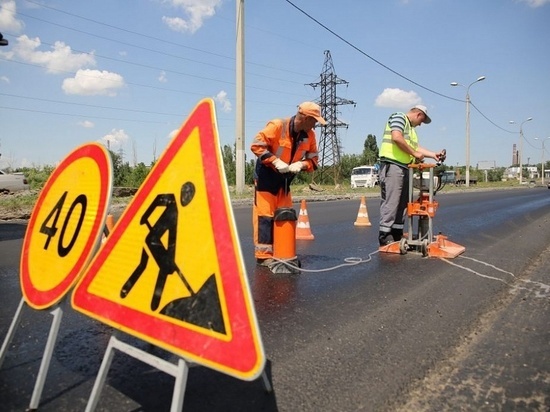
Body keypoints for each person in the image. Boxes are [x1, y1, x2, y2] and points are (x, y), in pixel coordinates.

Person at [251, 101, 325, 265]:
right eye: (314, 121)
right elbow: (257, 145)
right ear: (305, 118)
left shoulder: (310, 135)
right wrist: (275, 161)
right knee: (265, 217)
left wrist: (301, 164)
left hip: (285, 180)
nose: (315, 125)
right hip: (266, 177)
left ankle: (282, 250)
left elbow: (313, 161)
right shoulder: (277, 126)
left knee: (285, 216)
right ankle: (264, 256)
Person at [378, 105, 445, 246]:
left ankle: (396, 232)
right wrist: (414, 154)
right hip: (393, 165)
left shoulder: (411, 130)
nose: (420, 125)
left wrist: (433, 154)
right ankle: (385, 235)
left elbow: (416, 148)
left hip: (405, 167)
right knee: (392, 201)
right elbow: (396, 137)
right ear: (419, 115)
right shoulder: (399, 117)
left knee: (403, 203)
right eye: (421, 121)